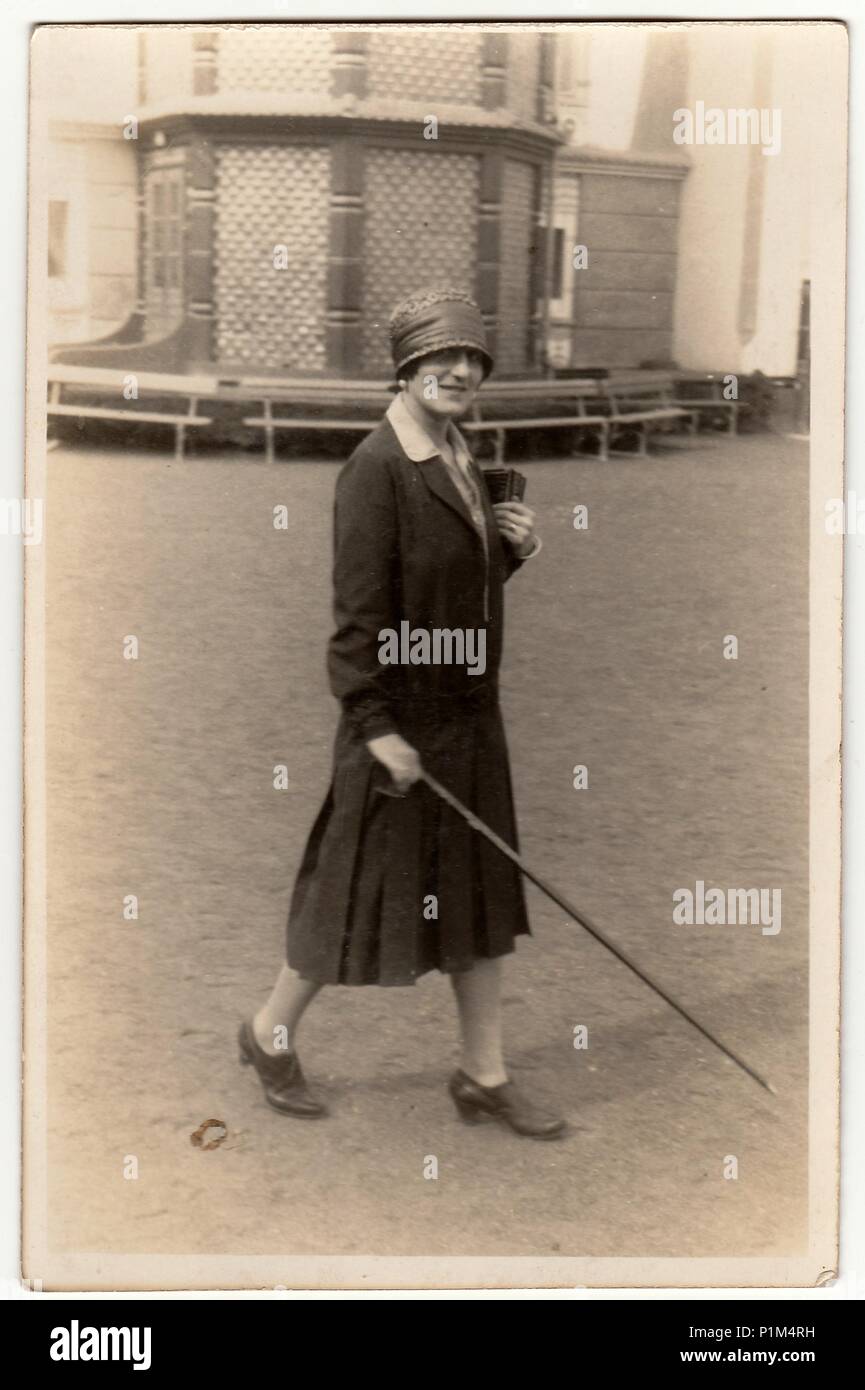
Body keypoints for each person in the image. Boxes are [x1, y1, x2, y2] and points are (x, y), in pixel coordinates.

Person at [239, 286, 566, 1139]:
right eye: (439, 358)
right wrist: (377, 729)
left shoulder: (459, 450)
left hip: (467, 719)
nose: (459, 372)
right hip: (396, 728)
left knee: (477, 900)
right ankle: (267, 1035)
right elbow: (357, 623)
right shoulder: (375, 470)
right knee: (350, 894)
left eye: (472, 360)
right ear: (408, 367)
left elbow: (448, 590)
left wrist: (507, 551)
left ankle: (483, 1074)